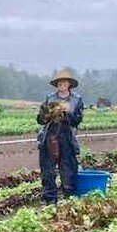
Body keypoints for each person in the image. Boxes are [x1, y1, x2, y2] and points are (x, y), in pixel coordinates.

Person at [36, 68, 84, 204]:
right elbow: (40, 120)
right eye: (59, 82)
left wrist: (67, 112)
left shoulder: (76, 100)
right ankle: (50, 200)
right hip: (50, 136)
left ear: (69, 84)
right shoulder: (50, 98)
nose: (61, 84)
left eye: (64, 82)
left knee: (68, 170)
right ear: (56, 84)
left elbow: (76, 121)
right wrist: (47, 113)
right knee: (47, 171)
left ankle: (69, 199)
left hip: (66, 137)